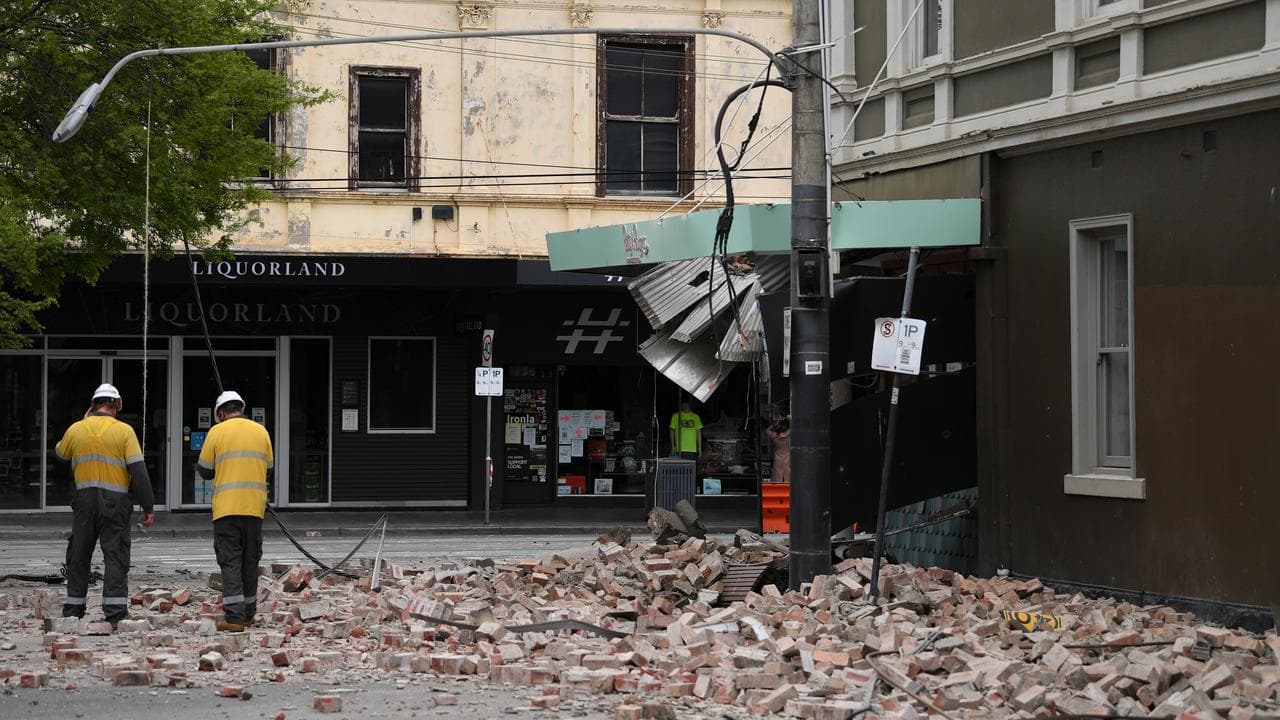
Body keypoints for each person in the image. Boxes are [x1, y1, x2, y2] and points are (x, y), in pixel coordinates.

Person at [55, 383, 155, 626]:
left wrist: (82, 422)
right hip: (115, 502)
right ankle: (115, 611)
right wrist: (148, 506)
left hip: (84, 502)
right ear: (117, 405)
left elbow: (60, 453)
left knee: (79, 553)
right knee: (115, 555)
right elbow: (138, 471)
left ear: (92, 406)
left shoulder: (76, 429)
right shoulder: (124, 431)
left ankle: (73, 610)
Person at [197, 390, 273, 632]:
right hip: (254, 509)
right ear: (241, 408)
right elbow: (269, 468)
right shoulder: (261, 431)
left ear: (220, 413)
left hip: (226, 510)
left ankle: (234, 618)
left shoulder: (216, 432)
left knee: (230, 562)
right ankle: (249, 613)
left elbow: (205, 470)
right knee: (250, 561)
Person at [767, 414, 791, 484]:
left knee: (778, 477)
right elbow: (795, 427)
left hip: (777, 458)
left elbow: (767, 430)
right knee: (788, 477)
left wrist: (776, 422)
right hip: (787, 457)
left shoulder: (774, 436)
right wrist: (790, 419)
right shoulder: (788, 435)